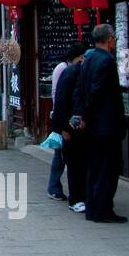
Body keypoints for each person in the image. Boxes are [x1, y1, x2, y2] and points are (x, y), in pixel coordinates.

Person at [70, 23, 127, 224]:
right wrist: (85, 114)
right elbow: (97, 92)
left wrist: (80, 115)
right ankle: (102, 209)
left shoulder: (88, 58)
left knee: (94, 167)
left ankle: (93, 207)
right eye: (114, 38)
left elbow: (80, 89)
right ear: (110, 39)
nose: (114, 41)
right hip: (105, 124)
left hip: (93, 126)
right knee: (107, 168)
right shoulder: (106, 61)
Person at [46, 44, 86, 202]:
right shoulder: (63, 69)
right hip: (63, 118)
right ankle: (54, 187)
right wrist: (60, 123)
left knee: (63, 155)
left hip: (65, 117)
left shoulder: (71, 69)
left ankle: (56, 187)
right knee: (61, 155)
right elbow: (58, 95)